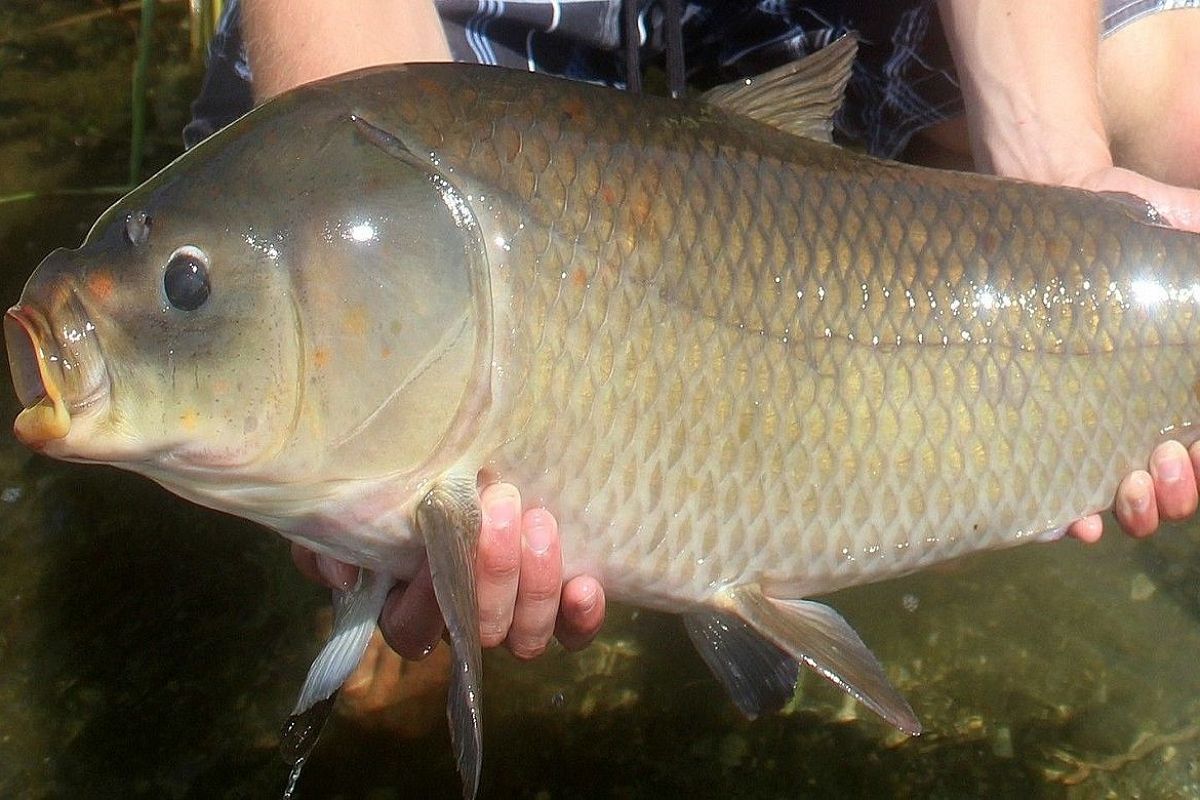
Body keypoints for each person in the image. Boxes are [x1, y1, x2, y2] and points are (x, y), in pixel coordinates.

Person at [187, 0, 1200, 666]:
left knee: (1177, 100)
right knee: (408, 633)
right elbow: (360, 154)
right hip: (484, 44)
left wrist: (1061, 187)